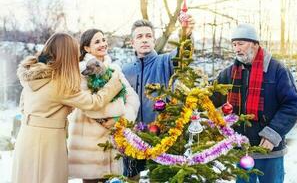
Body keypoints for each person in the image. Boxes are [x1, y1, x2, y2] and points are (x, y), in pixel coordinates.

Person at [12, 33, 123, 183]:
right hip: (48, 141)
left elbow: (23, 105)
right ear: (67, 55)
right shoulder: (60, 83)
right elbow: (93, 102)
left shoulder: (34, 75)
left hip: (26, 136)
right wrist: (113, 84)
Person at [212, 24, 297, 183]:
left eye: (241, 43)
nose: (236, 49)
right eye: (234, 44)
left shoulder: (277, 70)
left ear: (254, 44)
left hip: (269, 149)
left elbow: (292, 105)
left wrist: (273, 134)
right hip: (241, 149)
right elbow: (210, 98)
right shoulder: (229, 73)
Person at [122, 17, 194, 177]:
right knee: (130, 178)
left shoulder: (165, 61)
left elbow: (183, 55)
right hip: (132, 136)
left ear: (154, 41)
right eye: (139, 37)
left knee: (159, 178)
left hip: (161, 137)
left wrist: (186, 35)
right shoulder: (125, 70)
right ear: (132, 43)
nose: (144, 40)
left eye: (148, 36)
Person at [67, 29, 140, 183]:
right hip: (89, 143)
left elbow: (132, 98)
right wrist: (115, 112)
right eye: (97, 41)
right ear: (86, 48)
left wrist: (120, 119)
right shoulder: (80, 70)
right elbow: (87, 104)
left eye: (104, 40)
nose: (103, 44)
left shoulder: (115, 69)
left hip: (114, 141)